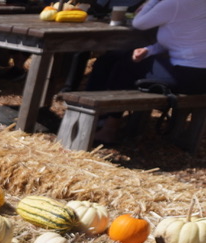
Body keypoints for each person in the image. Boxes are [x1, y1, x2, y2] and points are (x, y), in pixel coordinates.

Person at [85, 0, 206, 143]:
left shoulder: (174, 3)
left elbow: (139, 23)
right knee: (118, 60)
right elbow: (180, 39)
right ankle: (106, 118)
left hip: (186, 75)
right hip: (199, 77)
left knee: (123, 63)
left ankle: (109, 127)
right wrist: (149, 50)